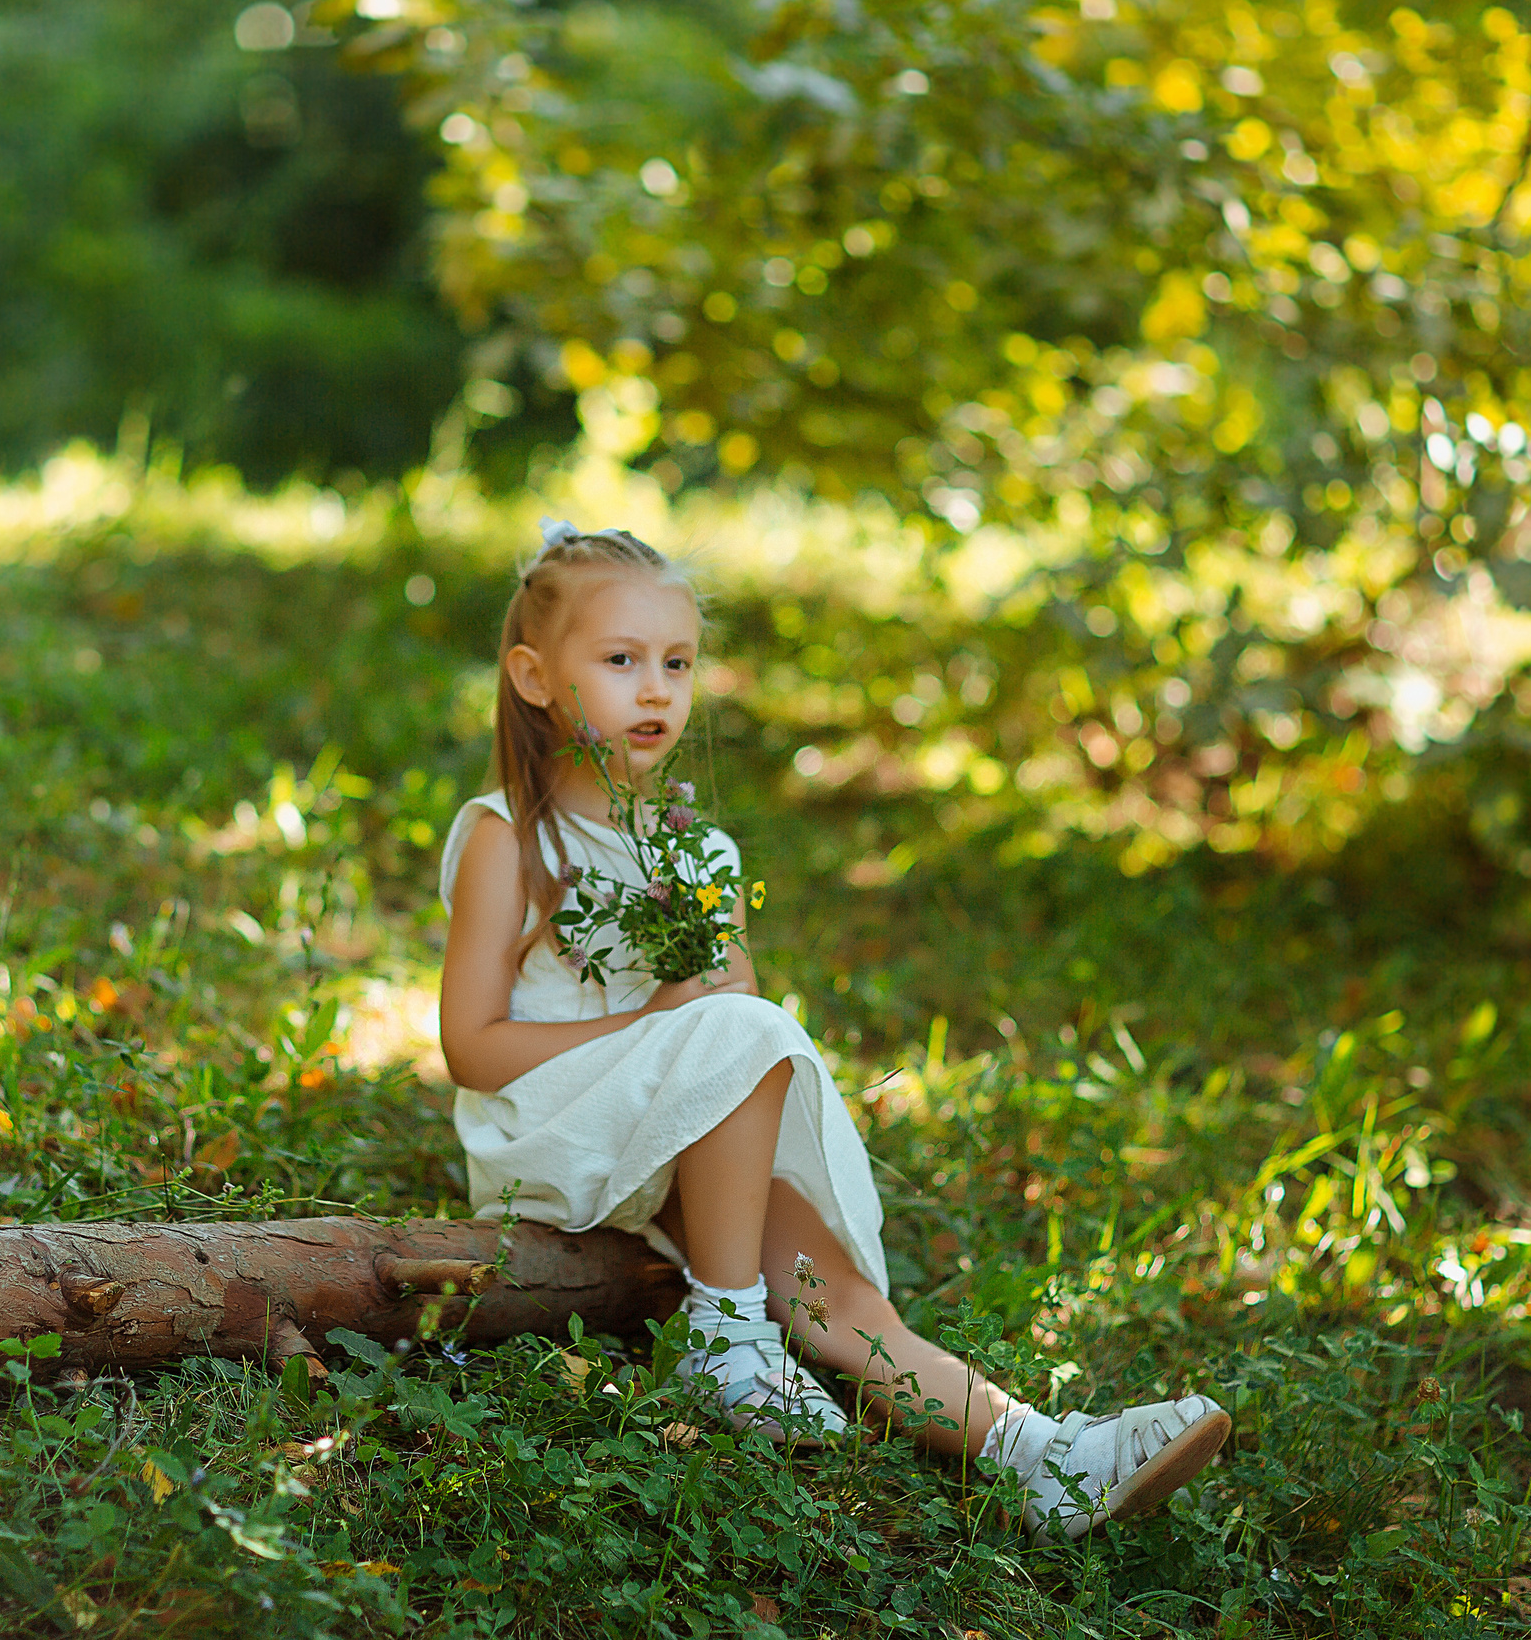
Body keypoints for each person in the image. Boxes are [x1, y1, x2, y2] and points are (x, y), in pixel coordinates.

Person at [434, 518, 1231, 1542]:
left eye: (677, 663)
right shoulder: (512, 837)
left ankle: (1041, 1455)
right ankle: (723, 1338)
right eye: (621, 659)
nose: (656, 690)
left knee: (834, 1292)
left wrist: (689, 984)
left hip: (669, 1137)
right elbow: (472, 1049)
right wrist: (654, 1022)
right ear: (535, 677)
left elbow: (734, 1028)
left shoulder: (700, 850)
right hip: (545, 1134)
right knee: (740, 1032)